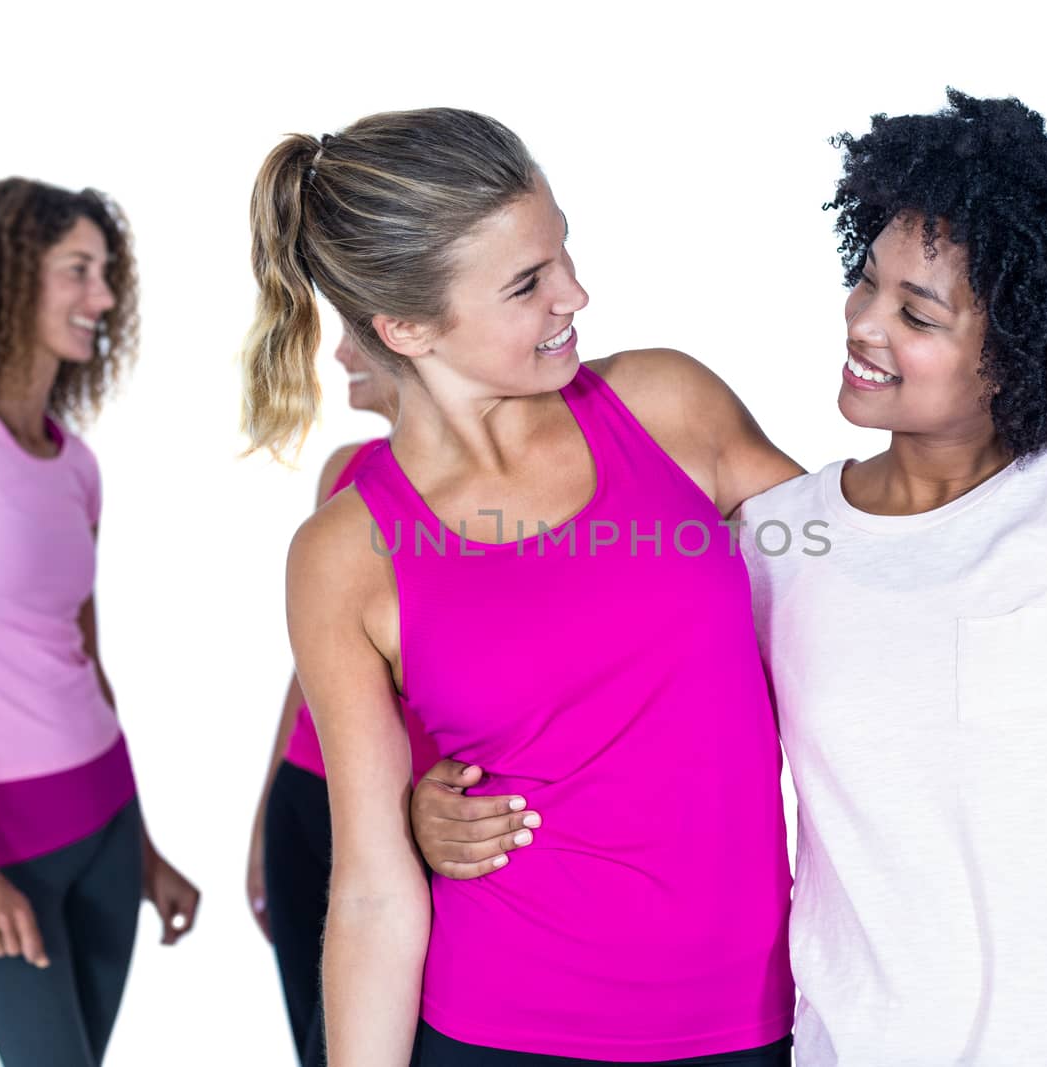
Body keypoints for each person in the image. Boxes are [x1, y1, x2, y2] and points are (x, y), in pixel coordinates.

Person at [412, 92, 1047, 1067]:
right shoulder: (775, 540)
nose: (863, 321)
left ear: (1019, 346)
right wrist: (430, 804)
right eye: (865, 281)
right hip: (852, 1046)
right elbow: (610, 714)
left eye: (917, 311)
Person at [241, 109, 803, 1065]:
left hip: (751, 1017)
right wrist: (417, 815)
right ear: (406, 326)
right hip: (497, 1025)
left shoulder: (667, 408)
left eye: (564, 255)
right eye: (527, 283)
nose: (575, 294)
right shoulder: (344, 552)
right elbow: (373, 888)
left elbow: (871, 590)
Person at [0, 178, 201, 1067]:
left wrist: (145, 852)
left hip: (107, 823)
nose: (104, 297)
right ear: (10, 276)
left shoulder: (78, 465)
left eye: (106, 273)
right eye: (78, 271)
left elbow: (83, 660)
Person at [245, 332, 404, 1066]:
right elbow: (309, 667)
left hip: (404, 829)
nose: (339, 356)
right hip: (306, 804)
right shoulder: (348, 471)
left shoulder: (508, 498)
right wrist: (264, 816)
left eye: (354, 334)